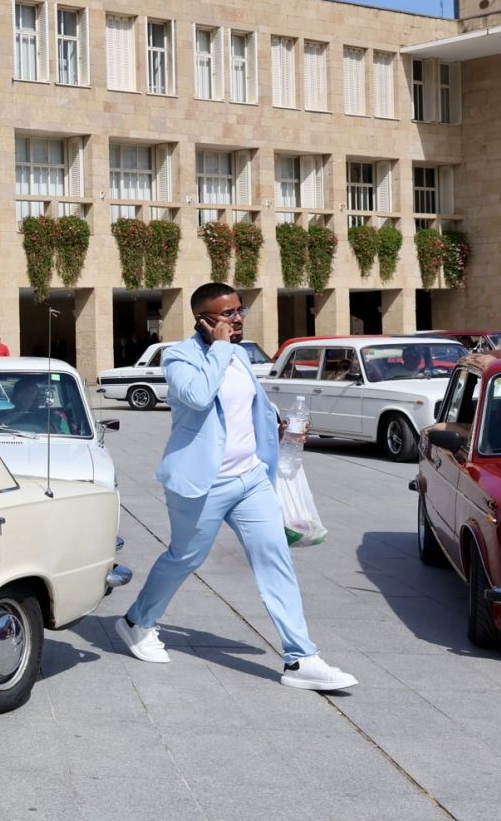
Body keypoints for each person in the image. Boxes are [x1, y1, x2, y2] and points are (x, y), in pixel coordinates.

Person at [112, 282, 357, 692]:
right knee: (184, 557)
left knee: (275, 557)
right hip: (202, 484)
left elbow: (250, 401)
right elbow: (196, 396)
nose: (238, 318)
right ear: (204, 319)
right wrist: (222, 348)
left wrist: (281, 424)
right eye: (228, 314)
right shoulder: (180, 357)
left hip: (250, 480)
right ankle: (136, 622)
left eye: (239, 310)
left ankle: (301, 658)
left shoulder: (240, 355)